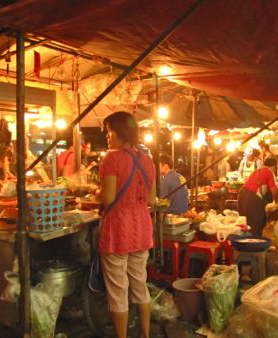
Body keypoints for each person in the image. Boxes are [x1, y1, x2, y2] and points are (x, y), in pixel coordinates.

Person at [97, 111, 156, 338]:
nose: (108, 137)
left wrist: (96, 194)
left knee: (118, 291)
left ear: (120, 132)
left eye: (110, 131)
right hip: (141, 230)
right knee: (140, 285)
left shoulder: (112, 158)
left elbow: (108, 197)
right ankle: (145, 334)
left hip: (117, 232)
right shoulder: (148, 161)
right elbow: (151, 200)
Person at [237, 157, 278, 236]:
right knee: (256, 225)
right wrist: (276, 202)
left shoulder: (257, 171)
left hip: (242, 195)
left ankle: (244, 244)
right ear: (274, 166)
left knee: (245, 223)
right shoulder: (269, 172)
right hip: (253, 198)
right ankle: (255, 246)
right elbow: (274, 191)